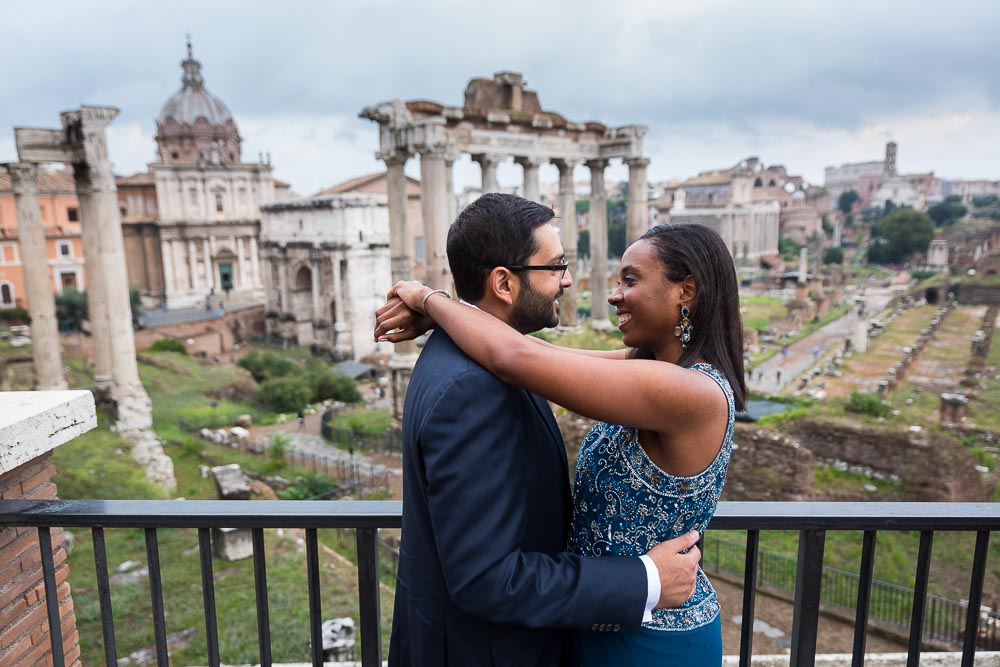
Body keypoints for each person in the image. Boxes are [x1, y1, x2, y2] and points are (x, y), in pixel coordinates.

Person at [376, 209, 747, 666]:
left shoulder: (689, 391)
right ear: (504, 282)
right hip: (604, 617)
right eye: (557, 268)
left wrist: (427, 298)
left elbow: (516, 355)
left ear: (685, 290)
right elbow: (538, 352)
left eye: (630, 280)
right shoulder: (654, 372)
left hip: (652, 633)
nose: (613, 295)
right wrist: (451, 314)